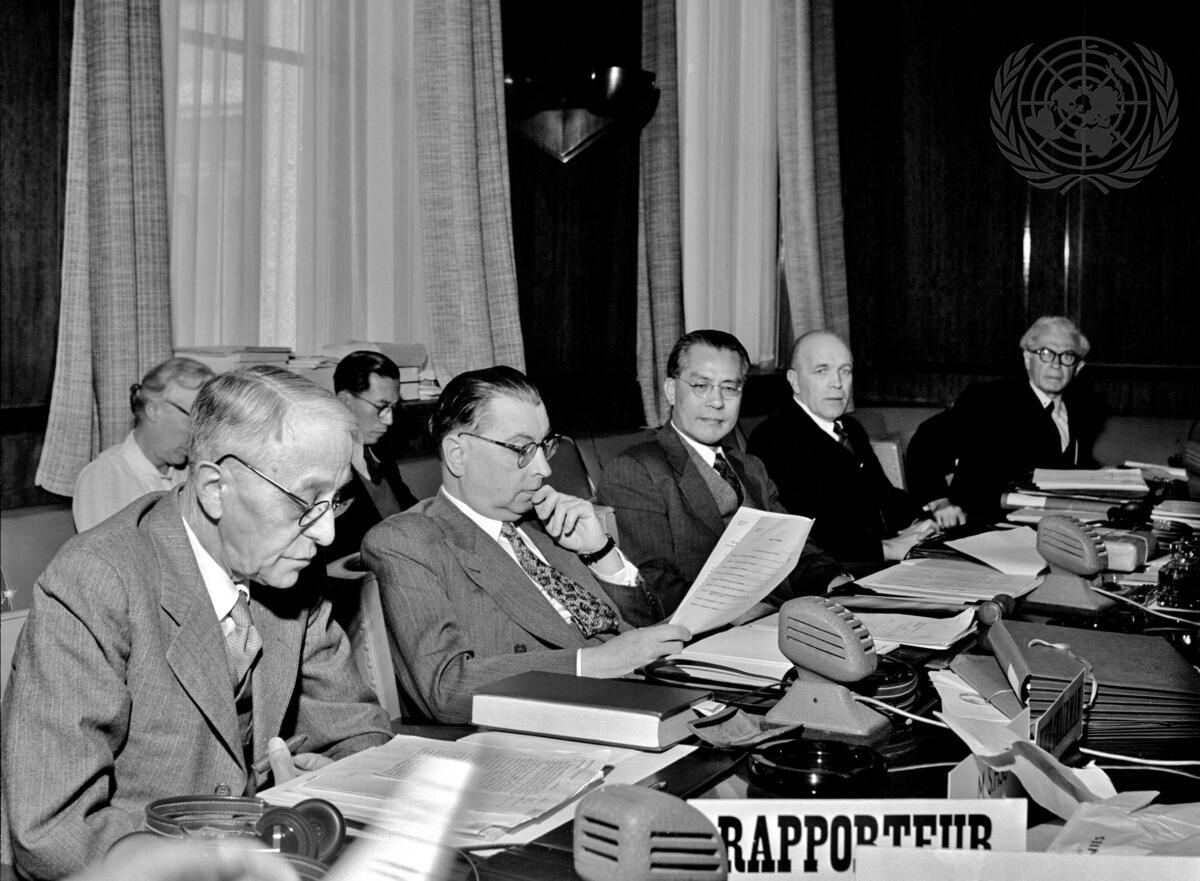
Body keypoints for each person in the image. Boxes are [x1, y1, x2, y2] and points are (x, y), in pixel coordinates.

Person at [1, 366, 392, 880]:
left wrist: (336, 786)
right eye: (305, 501)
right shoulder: (95, 582)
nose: (325, 534)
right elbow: (53, 833)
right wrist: (226, 857)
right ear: (213, 488)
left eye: (334, 500)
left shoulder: (289, 572)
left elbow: (361, 736)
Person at [361, 366, 689, 724]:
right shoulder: (407, 542)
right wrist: (593, 663)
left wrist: (601, 553)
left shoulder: (549, 519)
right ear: (457, 453)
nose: (544, 469)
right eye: (521, 448)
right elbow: (446, 688)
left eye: (544, 445)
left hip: (649, 690)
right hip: (553, 722)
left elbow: (647, 628)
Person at [597, 330, 851, 627]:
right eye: (701, 386)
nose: (717, 402)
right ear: (670, 390)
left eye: (730, 388)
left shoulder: (750, 466)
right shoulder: (636, 470)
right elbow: (653, 584)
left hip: (785, 619)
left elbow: (794, 549)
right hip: (706, 635)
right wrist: (735, 614)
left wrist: (837, 582)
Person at [747, 331, 965, 571]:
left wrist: (920, 523)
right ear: (795, 381)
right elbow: (805, 535)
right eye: (822, 371)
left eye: (845, 371)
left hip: (886, 560)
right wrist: (886, 548)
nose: (837, 383)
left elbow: (884, 495)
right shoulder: (773, 438)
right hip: (836, 572)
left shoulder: (850, 428)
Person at [905, 315, 1105, 521]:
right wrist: (939, 502)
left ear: (1078, 367)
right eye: (1046, 353)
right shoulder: (989, 400)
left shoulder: (1082, 410)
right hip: (984, 524)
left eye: (1068, 356)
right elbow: (925, 443)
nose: (1056, 364)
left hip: (1055, 523)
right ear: (1027, 358)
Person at [72, 356, 216, 531]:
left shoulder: (194, 472)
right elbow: (109, 548)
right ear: (153, 410)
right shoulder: (104, 476)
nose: (200, 435)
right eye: (193, 419)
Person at [323, 350, 420, 564]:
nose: (389, 420)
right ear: (344, 401)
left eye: (393, 407)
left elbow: (408, 511)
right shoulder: (322, 466)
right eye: (381, 407)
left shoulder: (379, 454)